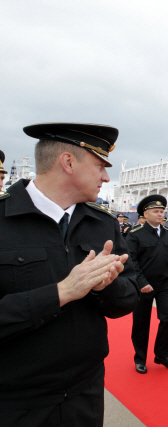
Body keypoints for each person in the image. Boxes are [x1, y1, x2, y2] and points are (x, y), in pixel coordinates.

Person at [0, 122, 138, 426]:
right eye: (101, 165)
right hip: (16, 402)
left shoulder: (103, 224)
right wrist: (61, 292)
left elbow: (128, 297)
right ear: (68, 162)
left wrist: (105, 286)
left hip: (85, 395)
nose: (105, 176)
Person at [127, 195, 168, 374]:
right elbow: (131, 261)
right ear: (145, 213)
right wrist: (141, 282)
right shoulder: (135, 235)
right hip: (143, 285)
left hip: (164, 284)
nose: (160, 214)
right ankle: (140, 358)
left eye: (162, 211)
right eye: (156, 211)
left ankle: (162, 355)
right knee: (141, 323)